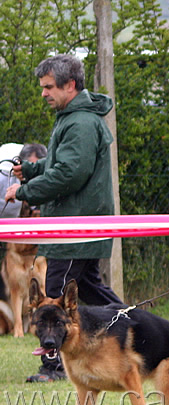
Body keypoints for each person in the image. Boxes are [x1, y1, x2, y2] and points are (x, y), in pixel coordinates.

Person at [5, 54, 123, 382]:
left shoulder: (81, 122)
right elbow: (59, 162)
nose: (43, 93)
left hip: (76, 225)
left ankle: (54, 366)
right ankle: (135, 330)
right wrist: (30, 170)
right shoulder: (71, 117)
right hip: (76, 223)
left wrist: (26, 191)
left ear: (69, 85)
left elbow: (71, 173)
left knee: (55, 294)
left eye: (48, 87)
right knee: (91, 289)